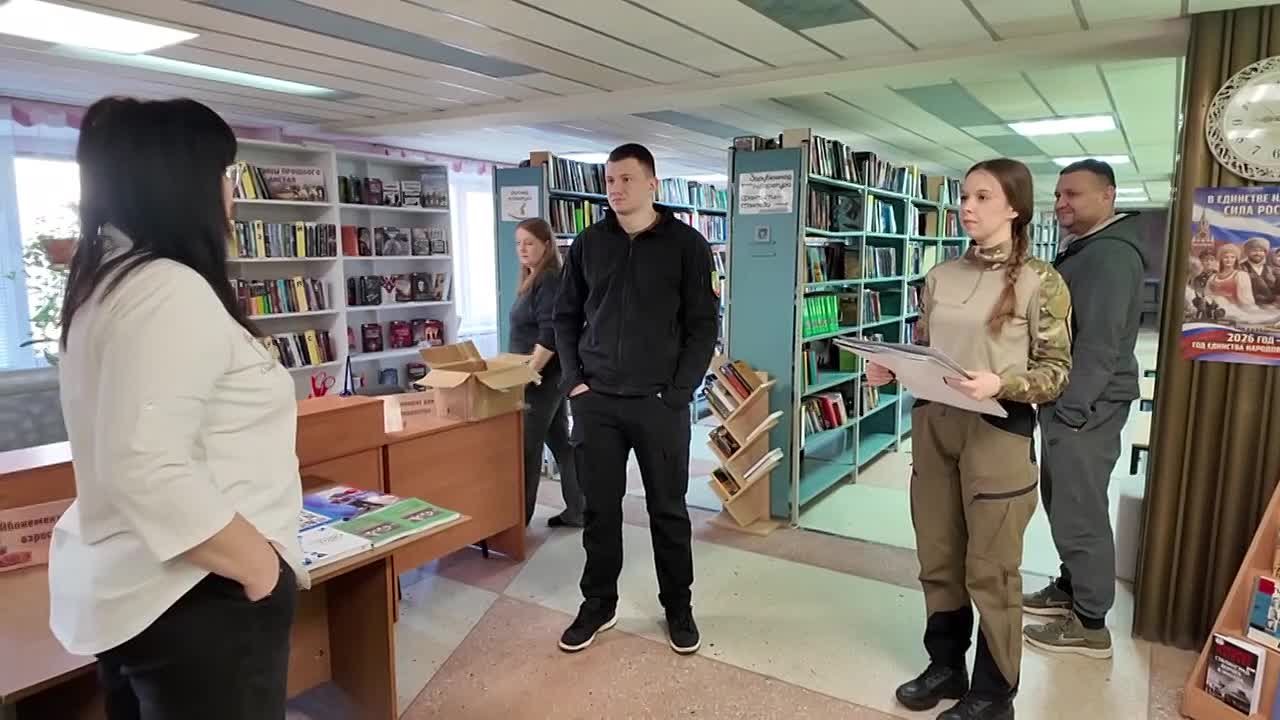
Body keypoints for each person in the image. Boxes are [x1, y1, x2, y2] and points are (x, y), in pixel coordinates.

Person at [49, 97, 306, 720]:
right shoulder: (168, 289)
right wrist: (260, 568)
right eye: (224, 173)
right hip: (201, 592)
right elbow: (144, 462)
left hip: (149, 592)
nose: (231, 193)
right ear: (184, 183)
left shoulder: (109, 282)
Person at [870, 158, 1072, 720]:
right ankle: (946, 666)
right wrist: (892, 367)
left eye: (983, 197)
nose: (967, 206)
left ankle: (993, 693)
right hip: (936, 427)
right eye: (964, 196)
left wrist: (1001, 383)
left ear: (1014, 208)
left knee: (992, 568)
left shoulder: (1042, 281)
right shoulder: (940, 275)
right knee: (938, 556)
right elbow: (925, 348)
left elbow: (1056, 372)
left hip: (997, 432)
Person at [552, 143, 718, 655]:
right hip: (597, 401)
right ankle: (598, 604)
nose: (616, 189)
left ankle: (678, 607)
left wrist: (680, 392)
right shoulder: (588, 244)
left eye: (626, 179)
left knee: (668, 510)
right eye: (609, 180)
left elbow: (703, 325)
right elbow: (564, 317)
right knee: (600, 510)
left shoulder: (687, 245)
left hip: (658, 403)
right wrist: (574, 382)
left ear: (651, 184)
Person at [1022, 159, 1150, 660]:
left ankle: (1091, 624)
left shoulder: (1110, 255)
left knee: (1081, 512)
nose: (1061, 204)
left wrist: (1072, 410)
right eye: (1058, 195)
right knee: (1064, 502)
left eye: (1073, 194)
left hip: (1086, 404)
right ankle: (1071, 588)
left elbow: (1100, 344)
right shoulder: (1087, 248)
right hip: (1070, 400)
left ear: (1108, 196)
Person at [508, 217, 585, 528]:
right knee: (561, 443)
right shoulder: (532, 278)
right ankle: (579, 509)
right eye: (518, 243)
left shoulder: (549, 279)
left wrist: (525, 377)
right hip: (541, 378)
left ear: (546, 245)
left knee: (527, 447)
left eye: (529, 243)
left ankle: (519, 520)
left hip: (540, 379)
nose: (522, 249)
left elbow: (549, 334)